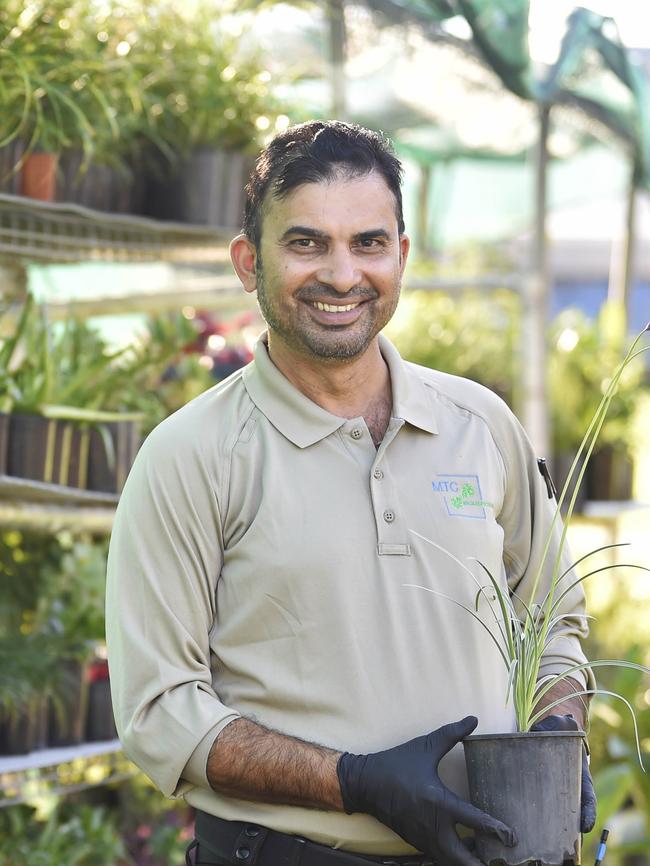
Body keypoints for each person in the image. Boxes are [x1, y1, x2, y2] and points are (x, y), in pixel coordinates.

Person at [105, 120, 596, 866]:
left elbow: (553, 616)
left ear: (401, 255)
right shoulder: (190, 457)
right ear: (248, 261)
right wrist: (355, 783)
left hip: (491, 851)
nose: (342, 274)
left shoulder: (479, 424)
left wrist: (561, 730)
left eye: (368, 243)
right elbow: (158, 712)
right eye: (306, 243)